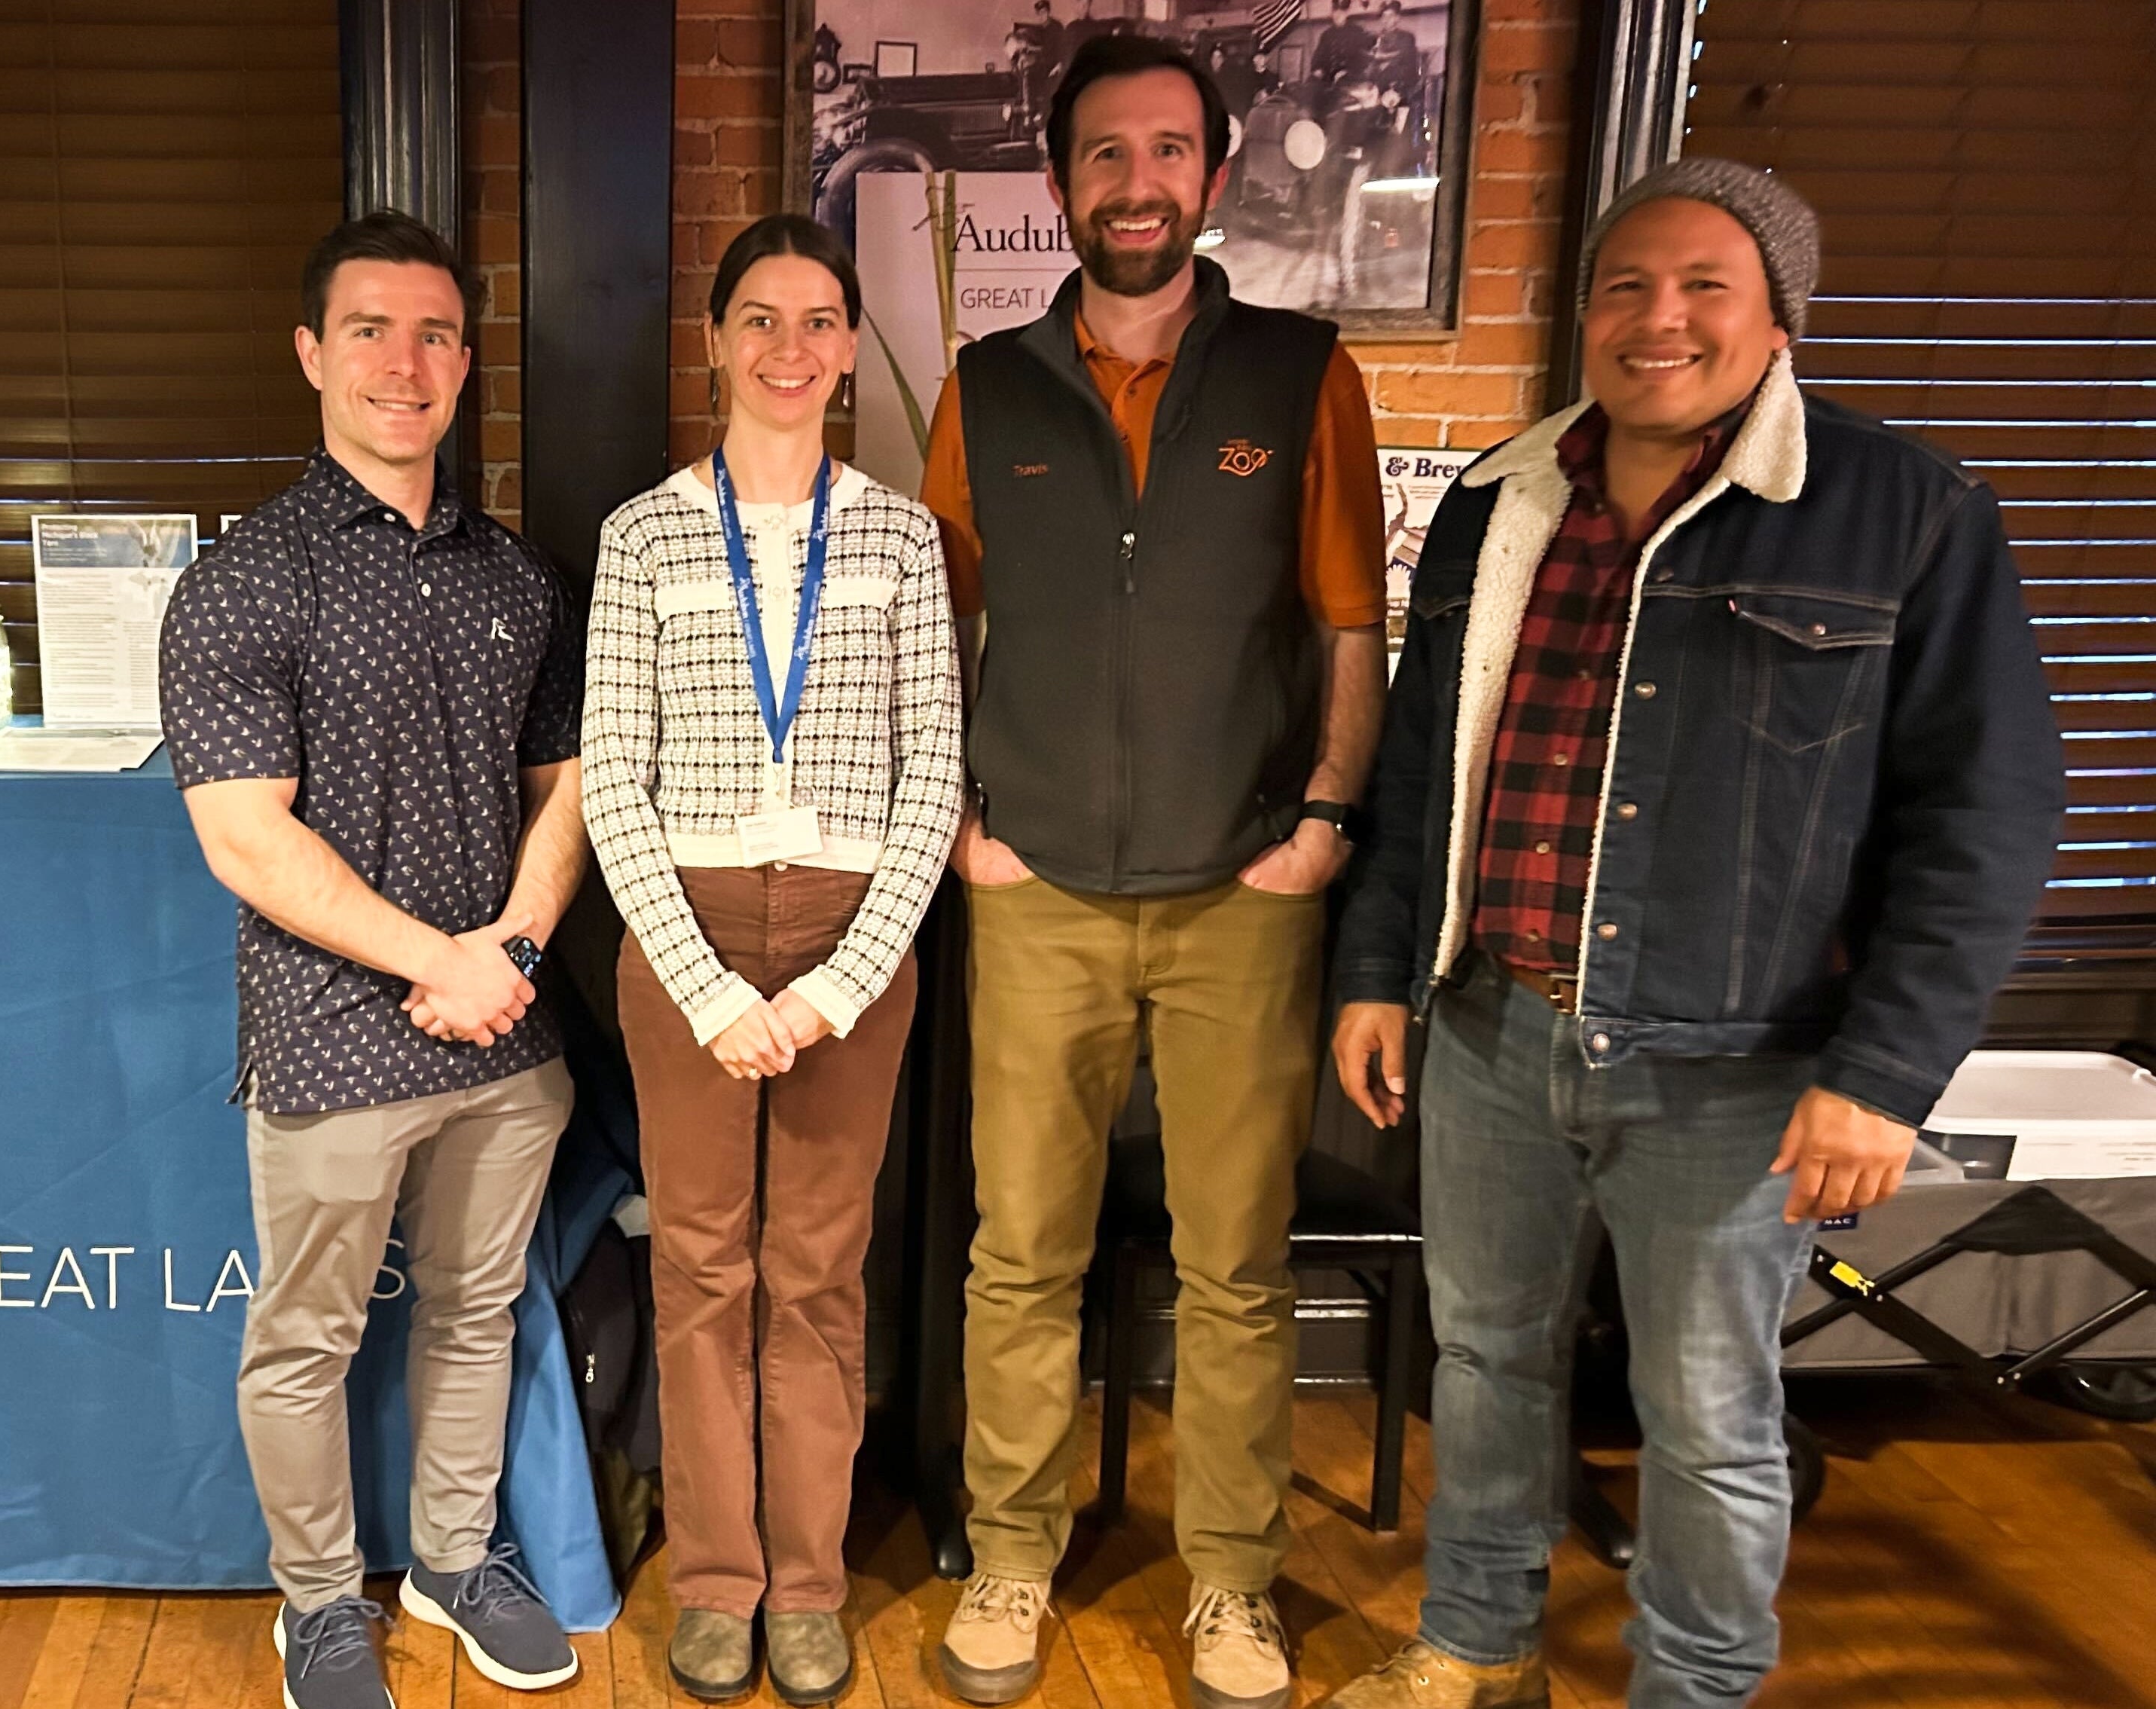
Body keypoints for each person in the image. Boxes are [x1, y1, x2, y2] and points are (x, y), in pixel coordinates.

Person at [1322, 160, 2063, 1708]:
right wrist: (1379, 974)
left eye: (1703, 287)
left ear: (1780, 316)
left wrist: (1887, 1074)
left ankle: (1694, 1687)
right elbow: (1420, 762)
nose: (1658, 320)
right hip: (1488, 1030)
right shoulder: (1500, 497)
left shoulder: (1903, 517)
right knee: (1484, 1364)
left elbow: (1984, 819)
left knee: (1710, 1414)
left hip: (1737, 1073)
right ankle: (1473, 1645)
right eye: (1626, 286)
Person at [917, 34, 1388, 1709]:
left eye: (1168, 152)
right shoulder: (984, 390)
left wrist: (1326, 821)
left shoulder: (1301, 376)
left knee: (1236, 1266)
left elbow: (1349, 620)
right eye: (1105, 155)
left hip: (1237, 897)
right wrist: (961, 818)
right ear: (1060, 185)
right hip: (1033, 885)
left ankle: (1236, 1587)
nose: (1136, 184)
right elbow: (937, 628)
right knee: (1020, 1251)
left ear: (1214, 173)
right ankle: (1015, 1558)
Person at [161, 209, 592, 1709]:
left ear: (466, 362)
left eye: (433, 334)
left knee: (479, 1313)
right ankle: (319, 1608)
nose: (403, 364)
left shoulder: (522, 580)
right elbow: (244, 839)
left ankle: (457, 1560)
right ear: (309, 354)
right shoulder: (245, 581)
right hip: (336, 1039)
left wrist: (515, 949)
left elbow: (569, 790)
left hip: (505, 1038)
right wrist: (445, 960)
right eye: (369, 330)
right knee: (309, 1339)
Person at [582, 213, 962, 1707]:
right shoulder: (643, 534)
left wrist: (828, 988)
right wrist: (710, 985)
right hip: (688, 925)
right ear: (716, 341)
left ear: (851, 347)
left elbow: (935, 774)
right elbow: (616, 776)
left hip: (849, 939)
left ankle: (807, 1585)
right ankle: (718, 1582)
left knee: (814, 1275)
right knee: (698, 1272)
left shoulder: (902, 537)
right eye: (760, 318)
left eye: (816, 321)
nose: (788, 349)